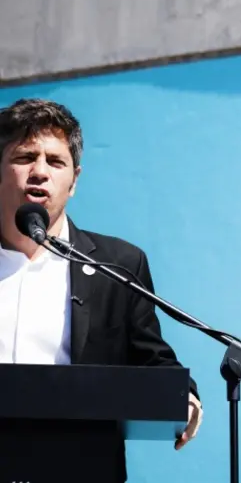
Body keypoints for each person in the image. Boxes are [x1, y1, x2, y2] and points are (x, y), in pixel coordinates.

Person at [0, 98, 203, 480]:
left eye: (55, 161)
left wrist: (185, 395)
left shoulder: (116, 265)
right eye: (25, 157)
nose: (39, 172)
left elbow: (153, 360)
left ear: (74, 180)